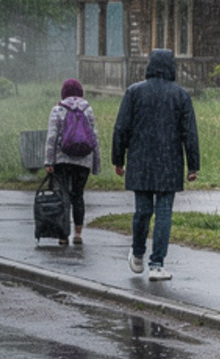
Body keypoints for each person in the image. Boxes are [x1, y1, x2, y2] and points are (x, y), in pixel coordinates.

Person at [111, 47, 200, 282]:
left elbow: (121, 128)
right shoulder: (180, 96)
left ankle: (137, 252)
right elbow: (189, 133)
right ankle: (157, 264)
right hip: (169, 163)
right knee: (163, 214)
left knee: (142, 212)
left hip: (140, 161)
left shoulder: (134, 93)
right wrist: (193, 166)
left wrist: (118, 159)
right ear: (172, 67)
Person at [44, 77, 101, 246]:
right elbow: (94, 137)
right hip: (84, 160)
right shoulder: (87, 109)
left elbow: (52, 137)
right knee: (78, 195)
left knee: (63, 196)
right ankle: (78, 233)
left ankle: (63, 235)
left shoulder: (57, 109)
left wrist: (49, 161)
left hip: (62, 159)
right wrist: (95, 164)